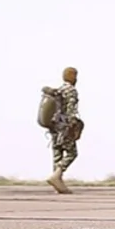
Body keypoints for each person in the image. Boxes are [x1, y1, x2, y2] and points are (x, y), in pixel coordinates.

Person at [44, 66, 82, 194]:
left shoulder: (58, 90)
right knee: (72, 153)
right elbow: (71, 109)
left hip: (54, 126)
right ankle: (57, 175)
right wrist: (72, 124)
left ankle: (57, 183)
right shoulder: (71, 90)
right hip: (65, 126)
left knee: (57, 153)